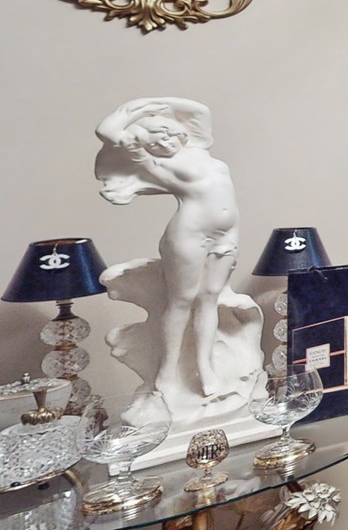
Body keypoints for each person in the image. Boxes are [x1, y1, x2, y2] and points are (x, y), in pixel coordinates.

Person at [94, 98, 241, 403]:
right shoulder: (152, 162)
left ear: (177, 131)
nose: (163, 143)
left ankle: (206, 368)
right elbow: (106, 131)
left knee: (209, 299)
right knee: (181, 301)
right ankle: (167, 369)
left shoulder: (200, 149)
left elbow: (200, 111)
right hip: (189, 234)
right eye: (155, 142)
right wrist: (135, 111)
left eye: (165, 134)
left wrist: (155, 104)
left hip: (225, 235)